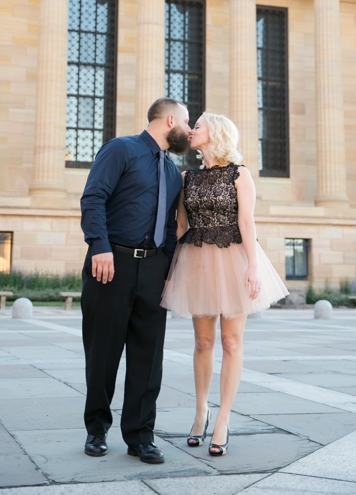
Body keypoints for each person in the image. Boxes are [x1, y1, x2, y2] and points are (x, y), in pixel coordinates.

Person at [161, 113, 288, 456]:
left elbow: (247, 222)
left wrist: (254, 267)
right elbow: (180, 226)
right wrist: (169, 267)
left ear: (214, 133)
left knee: (231, 343)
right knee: (203, 342)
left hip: (234, 257)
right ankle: (201, 412)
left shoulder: (240, 173)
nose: (191, 131)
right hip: (196, 259)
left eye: (197, 126)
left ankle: (223, 419)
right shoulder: (186, 177)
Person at [80, 97, 191, 465]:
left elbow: (173, 229)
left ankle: (140, 436)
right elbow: (93, 196)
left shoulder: (174, 172)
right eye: (186, 124)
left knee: (148, 358)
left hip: (153, 270)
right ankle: (96, 430)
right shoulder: (120, 149)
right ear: (170, 119)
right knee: (103, 352)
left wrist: (168, 270)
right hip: (111, 265)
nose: (188, 132)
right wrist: (100, 246)